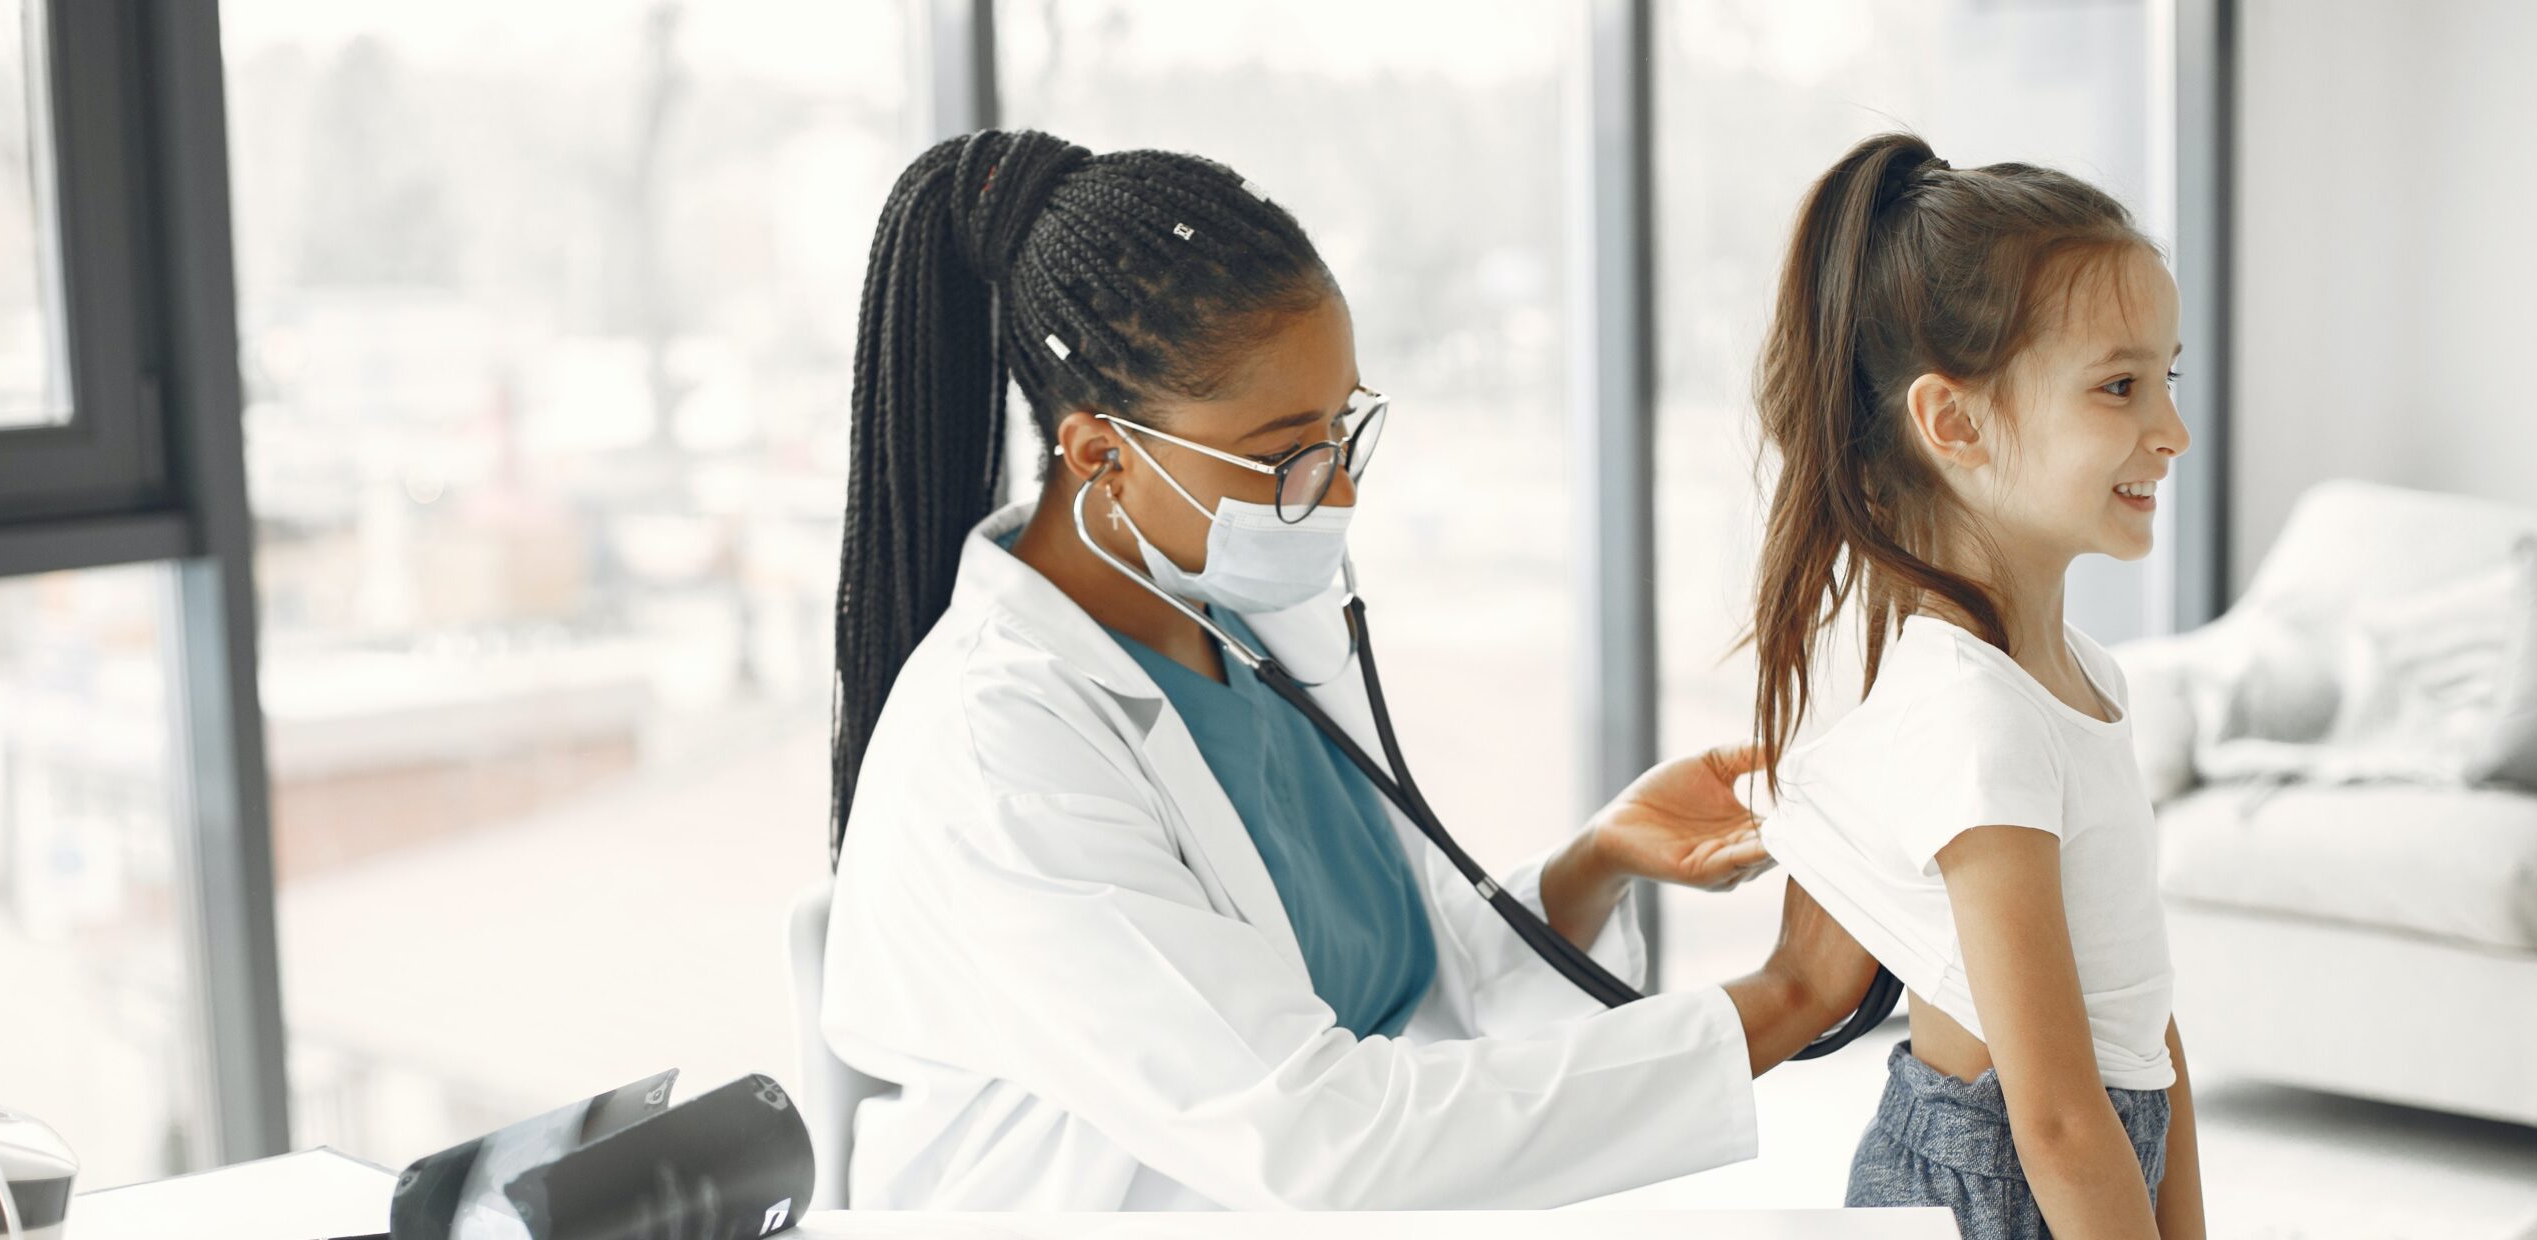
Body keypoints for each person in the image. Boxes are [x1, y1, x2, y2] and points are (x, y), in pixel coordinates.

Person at [819, 128, 1878, 1210]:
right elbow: (1319, 1137)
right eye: (1285, 454)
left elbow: (1390, 978)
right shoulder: (1000, 750)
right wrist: (1785, 997)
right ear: (1101, 455)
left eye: (1342, 429)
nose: (1337, 494)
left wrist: (1590, 864)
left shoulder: (1236, 618)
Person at [1748, 132, 2207, 1238]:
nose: (2172, 431)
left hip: (2082, 1155)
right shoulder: (1974, 716)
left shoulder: (2080, 675)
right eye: (2119, 386)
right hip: (1994, 1183)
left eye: (2167, 378)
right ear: (1951, 422)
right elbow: (2051, 1118)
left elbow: (2138, 1019)